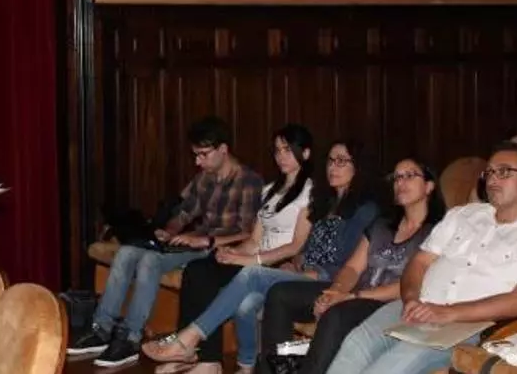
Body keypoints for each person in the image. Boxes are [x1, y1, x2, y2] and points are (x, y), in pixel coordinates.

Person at [144, 139, 382, 374]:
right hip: (304, 273)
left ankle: (190, 338)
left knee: (252, 275)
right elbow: (304, 248)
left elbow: (348, 263)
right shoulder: (324, 202)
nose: (333, 167)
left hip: (332, 283)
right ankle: (246, 366)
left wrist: (308, 271)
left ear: (359, 166)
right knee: (245, 303)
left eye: (342, 161)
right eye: (330, 160)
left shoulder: (364, 210)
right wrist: (295, 263)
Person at [326, 142, 517, 374]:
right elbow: (419, 262)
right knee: (355, 346)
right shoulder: (463, 214)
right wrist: (411, 298)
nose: (492, 180)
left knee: (388, 367)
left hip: (467, 324)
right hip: (415, 307)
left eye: (503, 172)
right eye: (489, 172)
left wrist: (449, 313)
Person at [67, 116, 263, 368]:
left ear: (223, 149)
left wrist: (207, 239)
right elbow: (183, 213)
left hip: (220, 250)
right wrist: (168, 232)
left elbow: (248, 233)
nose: (198, 161)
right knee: (126, 252)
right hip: (195, 244)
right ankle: (102, 328)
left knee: (149, 260)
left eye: (203, 155)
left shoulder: (249, 181)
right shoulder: (204, 178)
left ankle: (131, 337)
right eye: (196, 155)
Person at [144, 124, 316, 373]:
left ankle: (198, 352)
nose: (281, 156)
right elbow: (254, 239)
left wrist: (251, 260)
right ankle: (200, 357)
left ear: (306, 153)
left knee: (209, 274)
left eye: (288, 150)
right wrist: (234, 253)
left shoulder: (310, 193)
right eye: (277, 150)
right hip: (256, 257)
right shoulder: (270, 191)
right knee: (198, 269)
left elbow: (295, 246)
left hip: (276, 265)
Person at [259, 157, 447, 374]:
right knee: (280, 294)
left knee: (337, 314)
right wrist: (334, 292)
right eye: (397, 177)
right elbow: (352, 268)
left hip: (388, 305)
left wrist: (349, 297)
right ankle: (279, 369)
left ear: (429, 186)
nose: (400, 182)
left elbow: (412, 283)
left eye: (409, 176)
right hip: (354, 293)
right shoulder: (382, 225)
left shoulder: (438, 232)